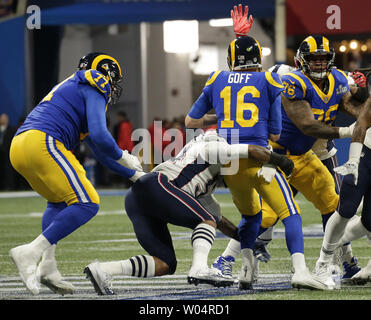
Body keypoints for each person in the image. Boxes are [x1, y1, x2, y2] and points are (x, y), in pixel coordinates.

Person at [211, 5, 369, 287]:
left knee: (336, 205)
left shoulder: (337, 79)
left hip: (305, 154)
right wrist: (350, 130)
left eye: (323, 59)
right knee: (268, 214)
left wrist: (364, 98)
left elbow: (355, 101)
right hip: (274, 156)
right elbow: (307, 124)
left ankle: (346, 263)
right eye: (314, 60)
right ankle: (224, 260)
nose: (319, 64)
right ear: (300, 61)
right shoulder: (289, 80)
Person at [185, 35, 331, 290]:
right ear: (258, 59)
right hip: (260, 159)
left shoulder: (216, 78)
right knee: (290, 214)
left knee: (251, 216)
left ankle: (246, 270)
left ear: (231, 59)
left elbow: (190, 122)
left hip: (230, 164)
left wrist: (221, 117)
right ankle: (300, 271)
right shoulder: (269, 80)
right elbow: (275, 134)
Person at [83, 130, 295, 295]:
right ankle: (199, 268)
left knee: (165, 264)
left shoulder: (202, 182)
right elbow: (250, 150)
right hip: (158, 185)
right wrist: (280, 160)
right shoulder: (212, 148)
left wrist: (250, 242)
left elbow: (221, 223)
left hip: (139, 198)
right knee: (205, 220)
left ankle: (103, 270)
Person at [8, 52, 144, 295]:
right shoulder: (95, 82)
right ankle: (30, 252)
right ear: (107, 74)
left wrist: (132, 175)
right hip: (43, 142)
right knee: (88, 203)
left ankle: (47, 267)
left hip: (20, 147)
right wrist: (124, 155)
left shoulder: (75, 87)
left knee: (60, 201)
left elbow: (101, 151)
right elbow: (103, 138)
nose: (113, 87)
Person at [315, 97, 371, 284]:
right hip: (367, 153)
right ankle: (323, 262)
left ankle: (339, 248)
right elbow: (361, 123)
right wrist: (354, 160)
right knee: (346, 208)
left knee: (369, 222)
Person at [0, 113, 17, 190]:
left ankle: (9, 187)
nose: (3, 120)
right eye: (2, 118)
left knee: (8, 171)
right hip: (0, 154)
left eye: (5, 118)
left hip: (8, 153)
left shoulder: (12, 129)